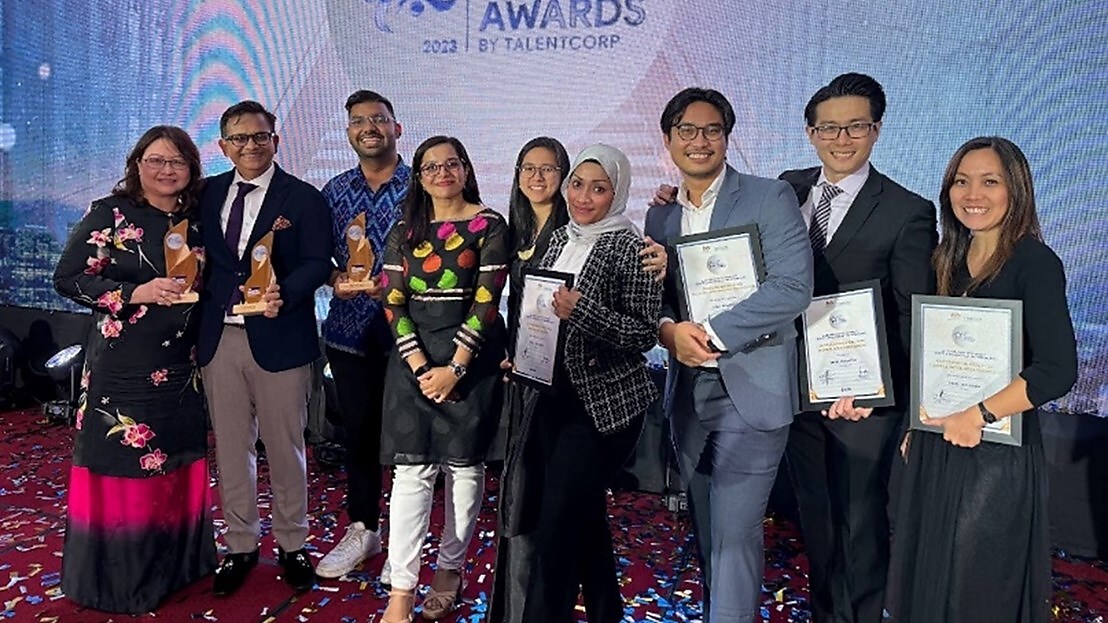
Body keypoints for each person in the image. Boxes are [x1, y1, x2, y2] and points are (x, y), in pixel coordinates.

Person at [885, 137, 1077, 622]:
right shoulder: (945, 259)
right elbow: (929, 355)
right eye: (961, 181)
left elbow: (1057, 369)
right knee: (927, 580)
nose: (973, 194)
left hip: (994, 452)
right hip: (936, 442)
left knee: (973, 589)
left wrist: (978, 414)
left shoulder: (1035, 263)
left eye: (990, 181)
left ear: (1016, 189)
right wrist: (914, 424)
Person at [644, 88, 813, 623]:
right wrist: (668, 331)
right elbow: (657, 302)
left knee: (735, 535)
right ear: (668, 139)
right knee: (708, 531)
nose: (700, 141)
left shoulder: (769, 196)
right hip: (688, 395)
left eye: (712, 130)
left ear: (726, 137)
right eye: (687, 131)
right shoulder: (660, 218)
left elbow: (793, 287)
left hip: (753, 384)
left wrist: (712, 333)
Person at [778, 73, 937, 623]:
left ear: (876, 130)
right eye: (829, 128)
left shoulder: (907, 210)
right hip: (795, 389)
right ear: (810, 133)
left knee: (861, 522)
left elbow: (912, 313)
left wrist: (890, 395)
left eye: (855, 127)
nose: (841, 139)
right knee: (816, 520)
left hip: (865, 399)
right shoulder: (787, 188)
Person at [53, 125, 215, 612]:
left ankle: (181, 568)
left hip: (182, 368)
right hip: (123, 368)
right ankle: (125, 582)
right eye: (155, 160)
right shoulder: (111, 213)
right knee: (126, 465)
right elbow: (67, 278)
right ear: (137, 165)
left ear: (192, 169)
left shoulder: (199, 219)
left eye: (177, 162)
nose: (167, 170)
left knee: (178, 461)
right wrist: (132, 293)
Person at [196, 100, 333, 595]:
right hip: (220, 338)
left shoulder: (303, 198)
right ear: (223, 146)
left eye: (259, 136)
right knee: (232, 449)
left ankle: (293, 543)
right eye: (239, 138)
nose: (250, 145)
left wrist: (285, 293)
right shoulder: (207, 193)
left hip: (281, 336)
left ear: (276, 141)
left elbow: (318, 262)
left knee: (286, 447)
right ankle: (241, 545)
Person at [378, 135, 508, 622]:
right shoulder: (403, 230)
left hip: (470, 362)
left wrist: (454, 369)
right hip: (413, 362)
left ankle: (449, 570)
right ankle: (401, 591)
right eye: (431, 167)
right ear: (419, 177)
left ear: (466, 169)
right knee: (411, 474)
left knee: (463, 469)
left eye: (451, 164)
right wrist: (420, 368)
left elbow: (486, 302)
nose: (442, 173)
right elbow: (393, 303)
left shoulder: (489, 225)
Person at [315, 90, 409, 580]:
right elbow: (315, 256)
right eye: (358, 121)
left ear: (397, 128)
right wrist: (334, 277)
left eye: (378, 119)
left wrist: (395, 282)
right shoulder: (333, 191)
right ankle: (364, 528)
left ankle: (406, 543)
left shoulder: (423, 184)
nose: (369, 127)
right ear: (349, 132)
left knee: (414, 440)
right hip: (349, 330)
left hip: (412, 332)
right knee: (360, 435)